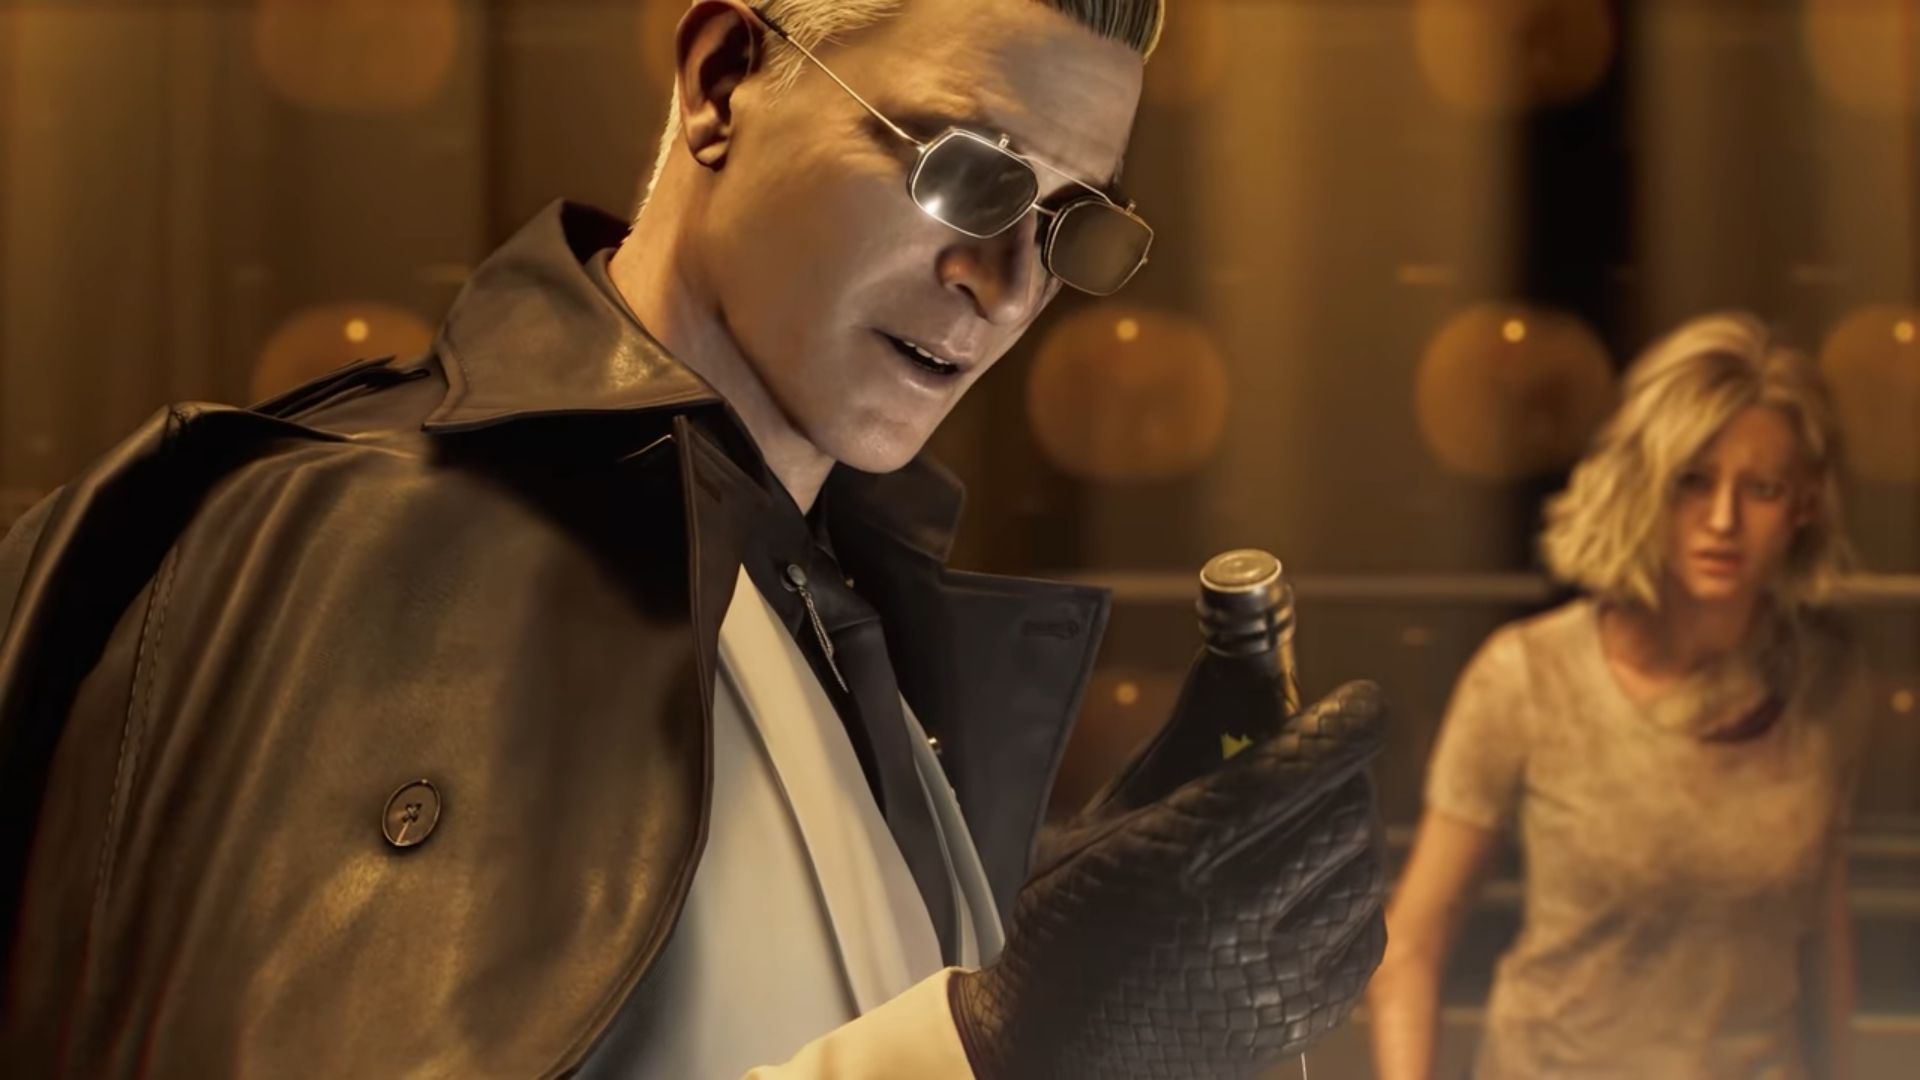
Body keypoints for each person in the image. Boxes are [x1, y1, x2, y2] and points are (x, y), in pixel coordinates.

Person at [0, 1, 1389, 1076]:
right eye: (968, 172)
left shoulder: (817, 615)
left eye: (1068, 223)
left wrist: (1077, 935)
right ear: (724, 80)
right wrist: (1003, 1038)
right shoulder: (396, 537)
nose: (1010, 287)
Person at [1367, 312, 1871, 1080]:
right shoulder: (1528, 677)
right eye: (1692, 481)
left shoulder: (1828, 687)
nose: (1723, 519)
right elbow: (1410, 942)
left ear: (1803, 504)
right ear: (1646, 484)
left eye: (1761, 489)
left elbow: (1821, 931)